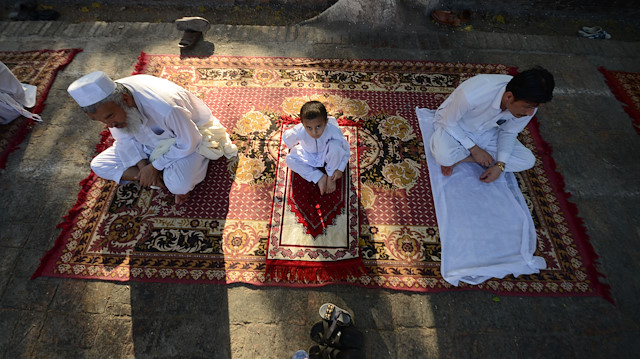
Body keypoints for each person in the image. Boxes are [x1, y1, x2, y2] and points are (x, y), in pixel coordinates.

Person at [67, 71, 237, 205]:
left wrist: (155, 166)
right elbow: (125, 141)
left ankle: (166, 176)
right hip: (151, 144)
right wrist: (144, 167)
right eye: (101, 121)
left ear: (125, 99)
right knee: (99, 165)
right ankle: (157, 179)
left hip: (190, 137)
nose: (109, 125)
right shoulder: (114, 109)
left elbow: (189, 141)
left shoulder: (165, 107)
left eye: (110, 117)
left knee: (179, 185)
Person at [429, 66, 554, 183]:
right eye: (528, 107)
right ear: (509, 97)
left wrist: (500, 165)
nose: (530, 113)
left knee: (527, 160)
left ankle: (462, 159)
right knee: (443, 157)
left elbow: (509, 132)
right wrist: (474, 149)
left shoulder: (530, 104)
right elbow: (448, 122)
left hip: (488, 131)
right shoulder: (473, 94)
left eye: (535, 108)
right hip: (458, 127)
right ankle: (470, 156)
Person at [283, 101, 350, 195]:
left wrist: (340, 168)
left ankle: (331, 177)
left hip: (327, 154)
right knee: (289, 160)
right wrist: (291, 142)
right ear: (302, 124)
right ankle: (319, 177)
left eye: (318, 126)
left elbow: (345, 148)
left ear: (325, 122)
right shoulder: (299, 131)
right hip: (308, 154)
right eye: (309, 127)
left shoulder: (332, 130)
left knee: (335, 147)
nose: (314, 133)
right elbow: (287, 139)